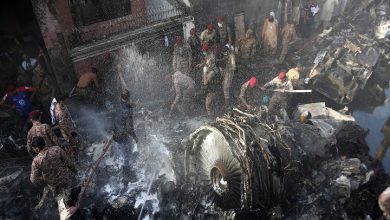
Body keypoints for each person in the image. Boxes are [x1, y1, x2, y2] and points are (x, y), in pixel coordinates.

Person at [30, 137, 77, 217]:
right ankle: (72, 204)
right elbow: (69, 163)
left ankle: (66, 214)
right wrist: (75, 171)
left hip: (54, 186)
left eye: (34, 148)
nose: (34, 150)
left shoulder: (36, 161)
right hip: (65, 179)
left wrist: (43, 179)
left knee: (61, 200)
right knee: (70, 194)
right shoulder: (56, 149)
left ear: (37, 148)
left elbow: (33, 179)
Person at [201, 43, 221, 116]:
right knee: (214, 103)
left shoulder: (212, 72)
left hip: (213, 90)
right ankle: (214, 114)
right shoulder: (209, 56)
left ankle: (211, 116)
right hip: (213, 88)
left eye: (205, 51)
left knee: (208, 104)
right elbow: (206, 63)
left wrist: (204, 71)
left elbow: (205, 82)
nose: (204, 52)